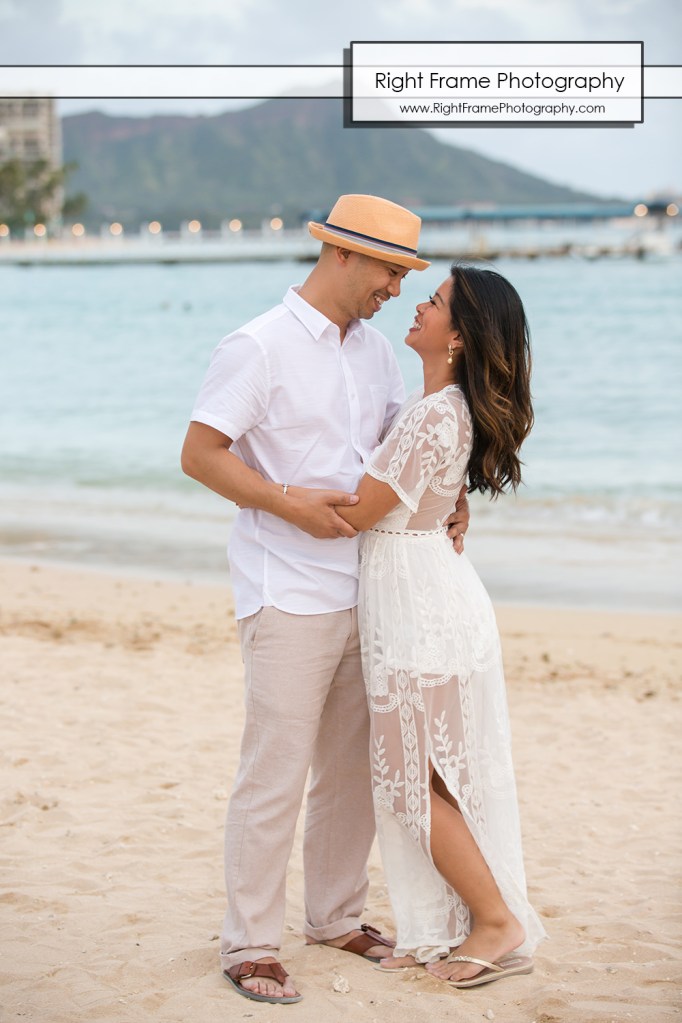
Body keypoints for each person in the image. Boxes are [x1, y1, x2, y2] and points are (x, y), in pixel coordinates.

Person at [181, 195, 470, 1004]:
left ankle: (337, 913)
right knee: (274, 767)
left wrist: (448, 497)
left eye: (406, 275)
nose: (395, 288)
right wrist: (283, 500)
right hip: (286, 589)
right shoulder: (257, 346)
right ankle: (249, 941)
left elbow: (390, 458)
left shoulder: (378, 353)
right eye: (389, 270)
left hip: (371, 587)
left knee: (351, 768)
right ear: (343, 254)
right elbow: (200, 453)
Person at [321, 263, 548, 987]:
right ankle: (478, 915)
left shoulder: (431, 414)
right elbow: (420, 492)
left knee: (414, 778)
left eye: (437, 300)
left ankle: (493, 920)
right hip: (430, 596)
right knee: (427, 774)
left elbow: (357, 512)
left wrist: (260, 490)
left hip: (421, 607)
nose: (419, 305)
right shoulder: (442, 410)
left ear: (460, 336)